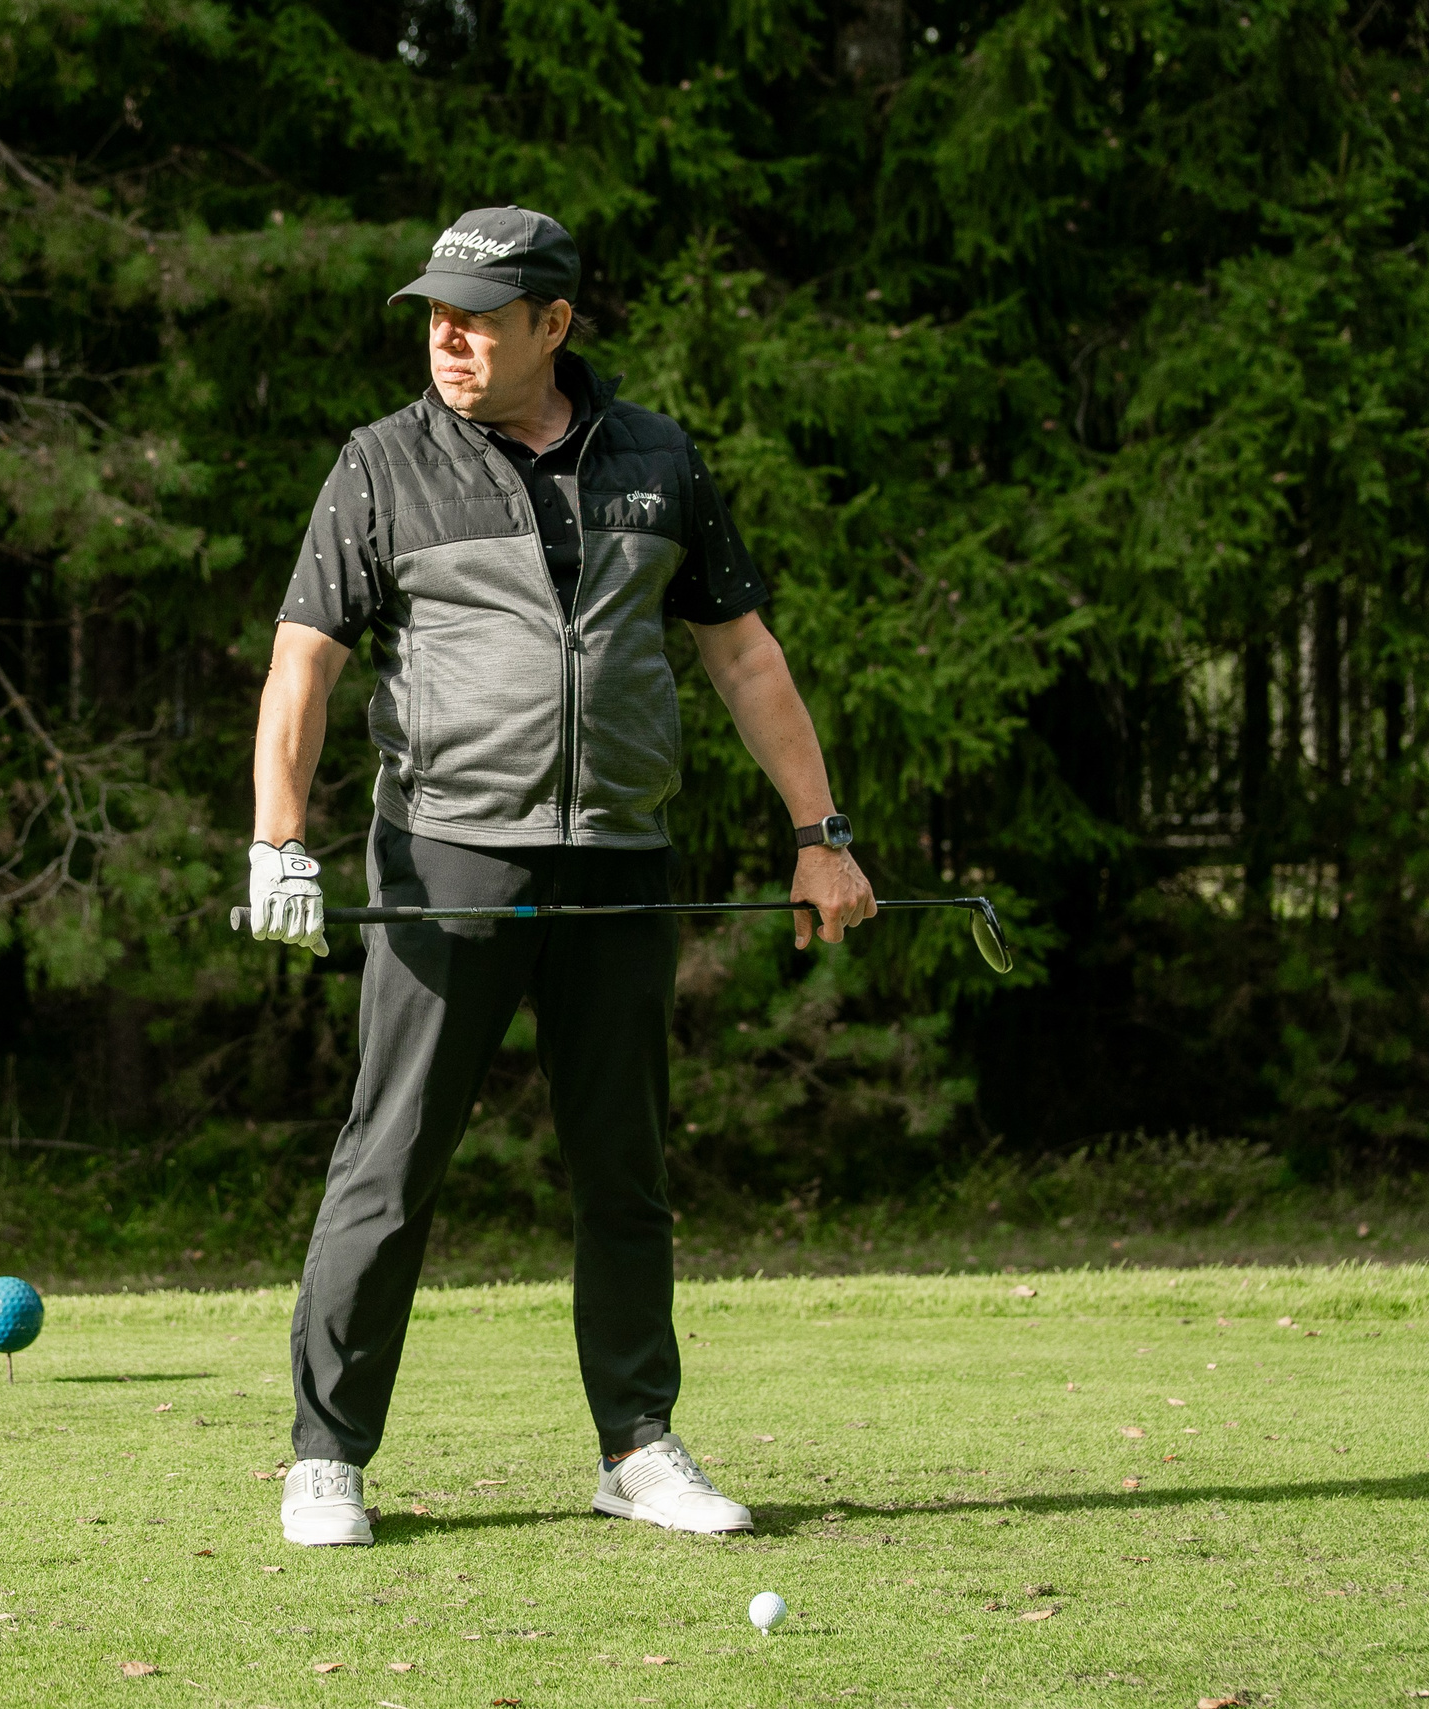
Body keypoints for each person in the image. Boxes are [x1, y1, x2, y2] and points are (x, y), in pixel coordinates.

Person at [243, 206, 877, 1547]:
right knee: (394, 1155)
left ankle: (637, 1444)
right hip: (448, 852)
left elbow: (745, 656)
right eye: (436, 312)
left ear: (556, 325)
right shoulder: (381, 465)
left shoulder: (656, 459)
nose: (449, 335)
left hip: (619, 856)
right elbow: (305, 657)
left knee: (623, 1163)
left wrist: (823, 833)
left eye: (479, 315)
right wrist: (277, 838)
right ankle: (327, 1454)